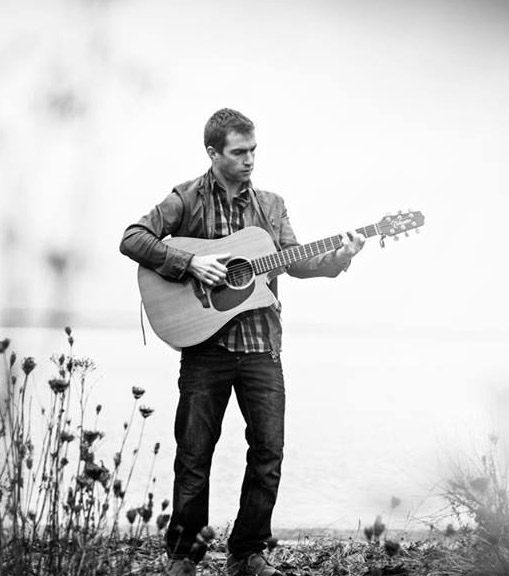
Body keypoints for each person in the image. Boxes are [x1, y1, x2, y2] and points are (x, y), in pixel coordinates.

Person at [119, 108, 365, 576]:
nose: (250, 159)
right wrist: (190, 263)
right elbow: (133, 238)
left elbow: (294, 260)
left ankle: (247, 552)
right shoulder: (186, 198)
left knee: (268, 453)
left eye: (254, 150)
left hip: (261, 349)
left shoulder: (271, 205)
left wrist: (339, 257)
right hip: (204, 350)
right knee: (194, 456)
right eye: (239, 152)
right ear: (213, 152)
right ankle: (184, 556)